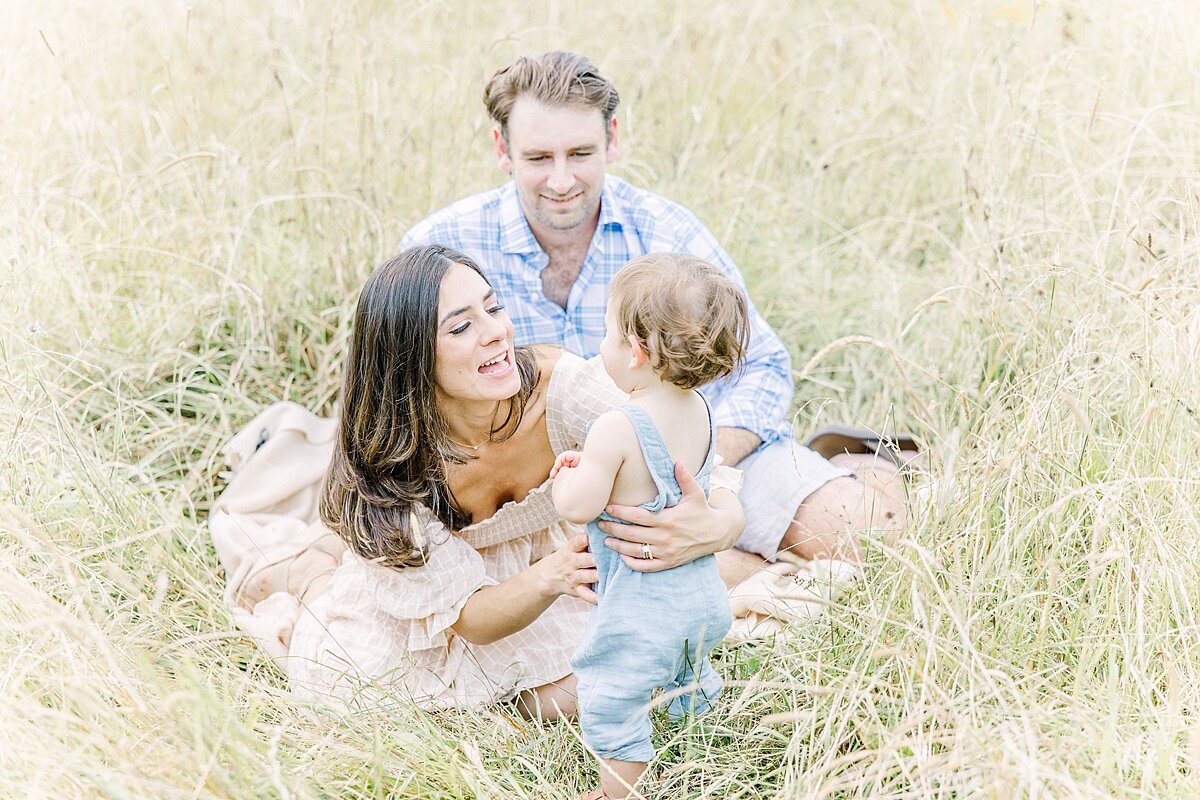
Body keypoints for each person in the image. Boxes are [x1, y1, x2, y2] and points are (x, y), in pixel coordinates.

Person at [399, 51, 912, 585]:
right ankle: (750, 559)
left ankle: (861, 474)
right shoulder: (441, 249)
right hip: (549, 495)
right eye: (538, 158)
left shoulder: (666, 231)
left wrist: (703, 481)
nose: (560, 180)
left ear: (612, 139)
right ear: (503, 149)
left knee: (875, 539)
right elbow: (402, 395)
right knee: (580, 586)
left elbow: (761, 364)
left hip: (708, 456)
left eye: (580, 153)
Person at [208, 244, 747, 717]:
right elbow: (468, 620)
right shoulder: (389, 474)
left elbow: (704, 466)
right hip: (459, 602)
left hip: (547, 570)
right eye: (462, 326)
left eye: (494, 308)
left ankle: (313, 562)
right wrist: (553, 576)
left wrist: (720, 524)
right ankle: (306, 576)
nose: (497, 333)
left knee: (612, 679)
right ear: (409, 359)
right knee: (354, 685)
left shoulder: (559, 391)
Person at [550, 254, 745, 800]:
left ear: (636, 352)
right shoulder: (700, 408)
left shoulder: (616, 425)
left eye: (609, 336)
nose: (602, 349)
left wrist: (564, 478)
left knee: (612, 694)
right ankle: (704, 751)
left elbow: (579, 505)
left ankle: (616, 792)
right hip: (702, 596)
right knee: (689, 676)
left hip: (640, 608)